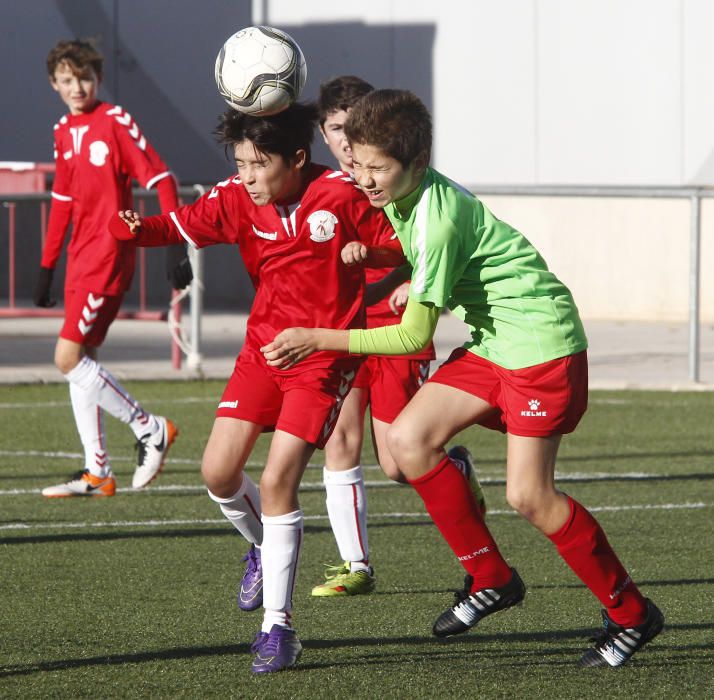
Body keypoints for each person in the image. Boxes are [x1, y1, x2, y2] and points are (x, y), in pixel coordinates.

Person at [261, 89, 665, 668]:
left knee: (529, 495)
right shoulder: (409, 193)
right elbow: (419, 250)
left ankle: (632, 615)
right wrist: (376, 259)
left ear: (417, 163)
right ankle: (490, 576)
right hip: (494, 341)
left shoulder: (435, 219)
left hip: (538, 348)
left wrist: (316, 337)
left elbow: (407, 337)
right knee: (406, 441)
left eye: (379, 168)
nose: (367, 180)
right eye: (359, 163)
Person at [108, 102, 403, 673]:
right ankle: (264, 549)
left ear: (297, 158)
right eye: (240, 161)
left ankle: (279, 630)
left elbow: (402, 242)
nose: (246, 175)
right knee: (218, 471)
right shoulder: (235, 198)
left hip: (321, 357)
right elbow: (181, 224)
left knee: (276, 481)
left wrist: (371, 253)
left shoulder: (340, 195)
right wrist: (137, 230)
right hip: (262, 351)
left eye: (258, 163)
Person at [312, 76, 485, 598]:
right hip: (342, 324)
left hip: (393, 328)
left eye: (352, 128)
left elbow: (436, 240)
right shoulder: (323, 186)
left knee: (395, 463)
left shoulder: (398, 179)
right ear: (324, 133)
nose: (345, 140)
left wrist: (412, 282)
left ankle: (454, 466)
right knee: (338, 439)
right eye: (336, 129)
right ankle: (356, 565)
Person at [36, 39, 190, 498]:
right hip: (79, 260)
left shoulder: (115, 121)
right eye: (67, 79)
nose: (77, 86)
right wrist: (46, 267)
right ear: (54, 84)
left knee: (67, 359)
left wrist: (171, 242)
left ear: (98, 79)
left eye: (84, 77)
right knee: (85, 360)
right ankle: (97, 471)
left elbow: (162, 178)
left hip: (107, 254)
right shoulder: (63, 130)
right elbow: (61, 203)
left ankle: (150, 428)